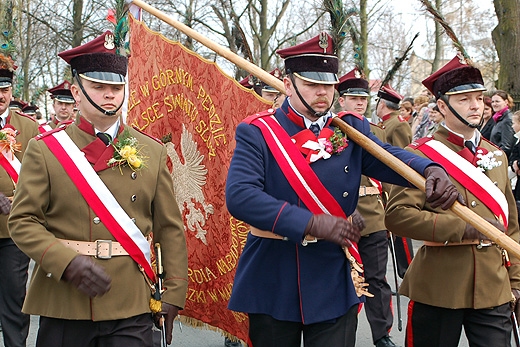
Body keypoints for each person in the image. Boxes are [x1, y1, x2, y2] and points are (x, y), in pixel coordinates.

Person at [225, 32, 461, 347]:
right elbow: (240, 197)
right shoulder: (258, 133)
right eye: (311, 84)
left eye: (328, 85)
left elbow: (390, 158)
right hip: (273, 274)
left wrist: (431, 170)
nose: (322, 93)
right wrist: (310, 223)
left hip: (331, 277)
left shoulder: (349, 129)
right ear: (287, 83)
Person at [8, 31, 188, 347]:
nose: (109, 95)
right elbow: (22, 222)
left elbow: (169, 228)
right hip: (65, 299)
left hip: (130, 300)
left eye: (116, 88)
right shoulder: (46, 150)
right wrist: (64, 261)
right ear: (77, 93)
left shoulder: (151, 150)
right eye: (98, 87)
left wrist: (173, 292)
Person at [385, 54, 520, 347]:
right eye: (464, 99)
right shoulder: (419, 155)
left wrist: (516, 282)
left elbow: (511, 225)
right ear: (443, 106)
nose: (475, 106)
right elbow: (397, 216)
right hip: (439, 286)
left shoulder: (496, 155)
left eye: (479, 98)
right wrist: (464, 228)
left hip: (493, 286)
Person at [337, 68, 399, 347]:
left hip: (374, 215)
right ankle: (343, 333)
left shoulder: (377, 132)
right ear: (341, 101)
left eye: (364, 98)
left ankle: (381, 334)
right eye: (353, 97)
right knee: (344, 280)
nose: (360, 102)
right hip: (341, 216)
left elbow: (391, 171)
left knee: (376, 279)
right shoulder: (331, 130)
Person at [0, 53, 40, 346]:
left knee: (15, 300)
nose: (0, 96)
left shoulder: (28, 128)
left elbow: (40, 176)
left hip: (13, 231)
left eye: (4, 89)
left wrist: (20, 200)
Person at [490, 90, 516, 158]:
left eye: (497, 101)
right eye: (492, 101)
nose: (494, 104)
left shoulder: (507, 120)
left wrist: (493, 158)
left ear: (506, 102)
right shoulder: (498, 118)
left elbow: (507, 146)